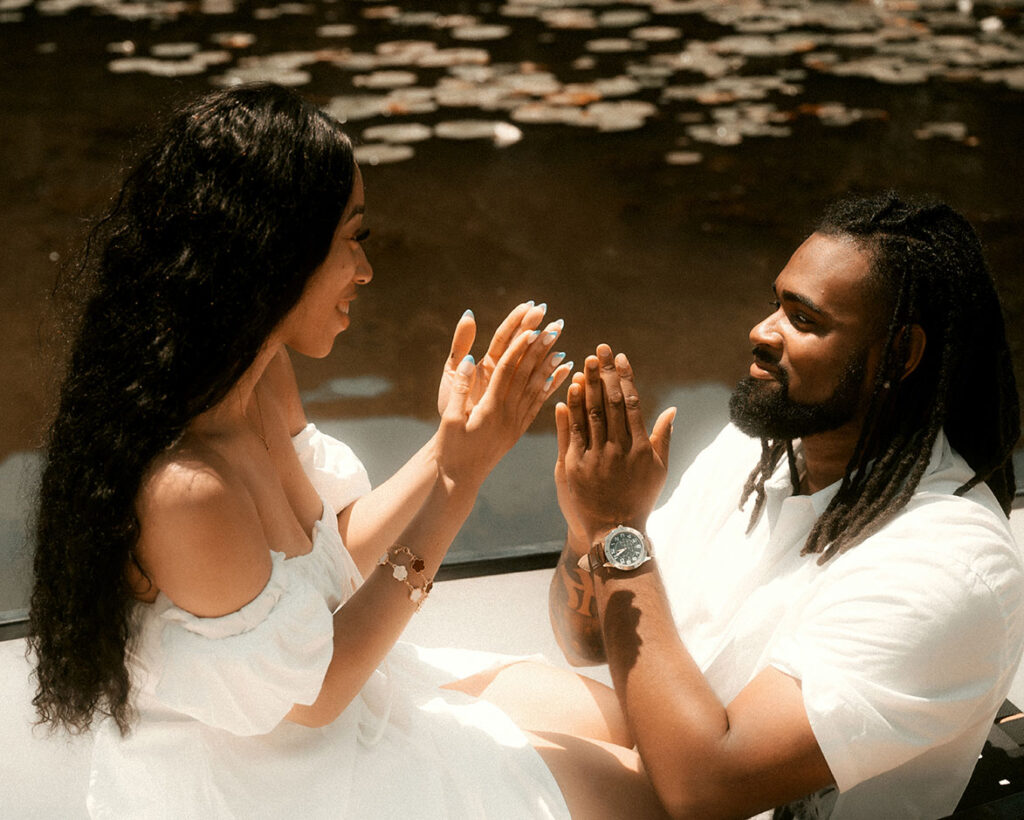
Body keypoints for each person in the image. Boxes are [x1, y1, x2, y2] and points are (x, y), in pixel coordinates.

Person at [27, 83, 668, 819]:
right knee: (650, 799)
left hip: (350, 701)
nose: (365, 271)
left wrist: (449, 445)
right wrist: (460, 482)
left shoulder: (257, 378)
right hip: (270, 786)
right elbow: (319, 692)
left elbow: (328, 561)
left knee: (636, 728)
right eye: (351, 239)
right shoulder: (185, 488)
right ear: (276, 254)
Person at [549, 192, 1024, 818]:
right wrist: (590, 528)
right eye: (777, 303)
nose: (761, 331)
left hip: (699, 785)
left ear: (900, 356)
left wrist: (618, 529)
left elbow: (705, 788)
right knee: (417, 705)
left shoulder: (950, 564)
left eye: (804, 320)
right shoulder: (755, 453)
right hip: (658, 761)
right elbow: (587, 644)